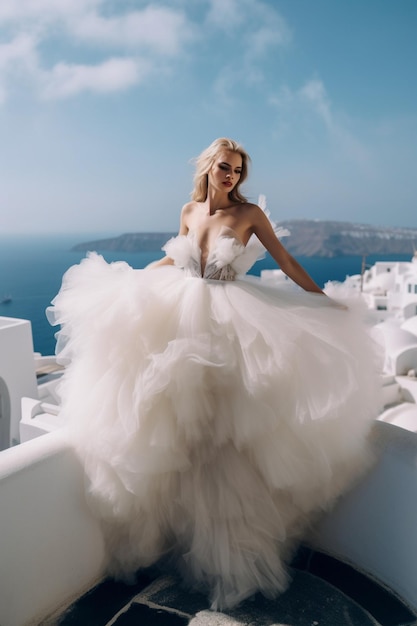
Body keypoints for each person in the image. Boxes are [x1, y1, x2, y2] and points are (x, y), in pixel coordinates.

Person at [47, 138, 380, 611]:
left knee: (225, 442)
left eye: (239, 171)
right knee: (179, 437)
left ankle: (233, 556)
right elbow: (176, 258)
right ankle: (182, 546)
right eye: (225, 168)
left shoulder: (249, 217)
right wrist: (133, 281)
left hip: (230, 326)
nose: (232, 177)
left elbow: (285, 262)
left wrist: (323, 300)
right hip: (179, 320)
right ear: (208, 167)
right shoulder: (188, 210)